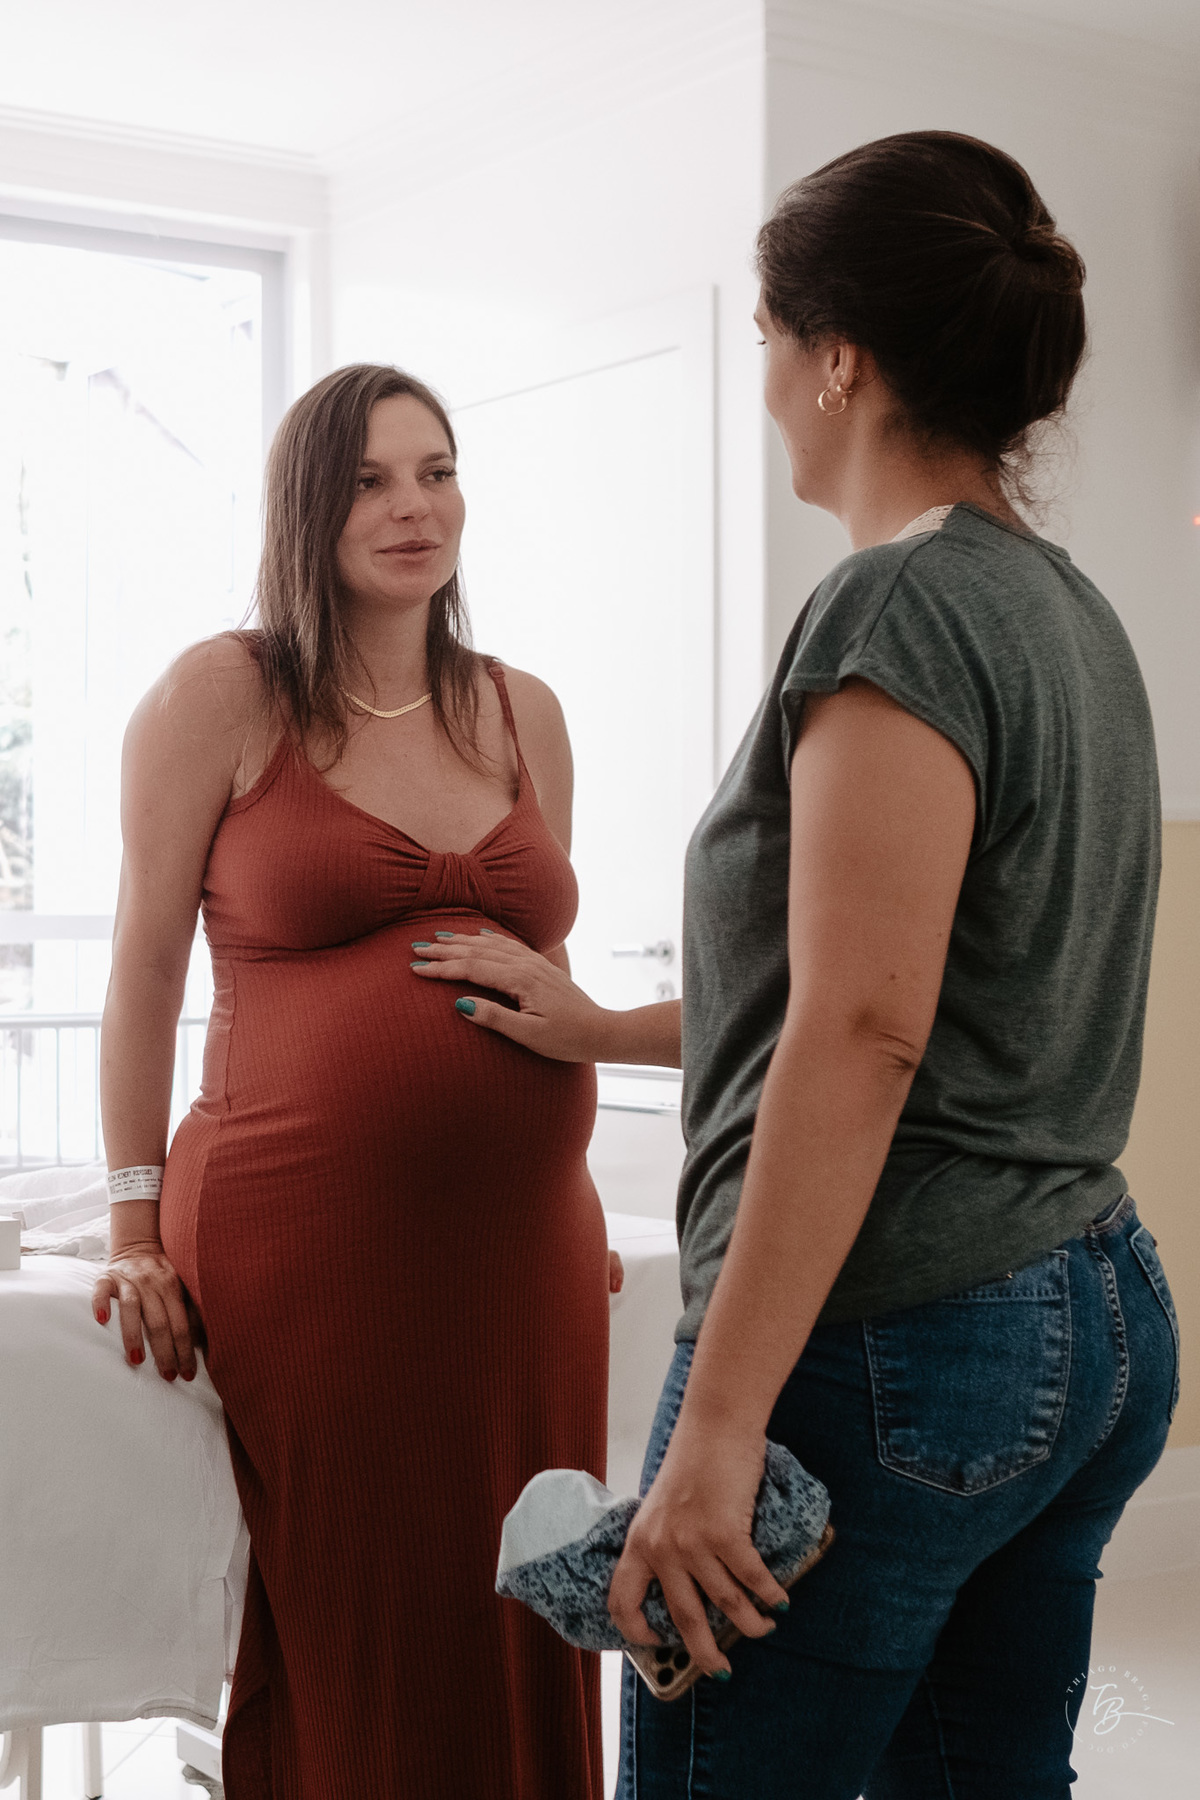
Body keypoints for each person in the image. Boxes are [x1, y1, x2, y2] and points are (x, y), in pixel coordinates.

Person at [409, 132, 1180, 1797]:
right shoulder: (1072, 615)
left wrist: (715, 1426)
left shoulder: (894, 615)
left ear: (841, 360)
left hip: (901, 1335)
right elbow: (923, 991)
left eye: (768, 338)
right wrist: (603, 1026)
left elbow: (864, 1027)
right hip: (1087, 1304)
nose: (763, 381)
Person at [91, 364, 618, 1800]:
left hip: (524, 1243)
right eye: (372, 480)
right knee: (364, 1610)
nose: (413, 508)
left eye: (437, 472)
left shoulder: (523, 709)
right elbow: (143, 972)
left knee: (535, 1581)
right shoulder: (224, 693)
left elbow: (545, 975)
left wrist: (554, 1179)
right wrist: (135, 1223)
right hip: (301, 1230)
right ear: (307, 508)